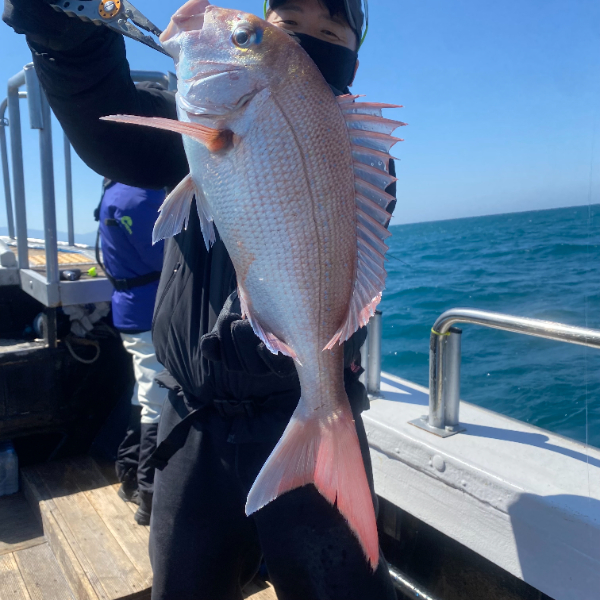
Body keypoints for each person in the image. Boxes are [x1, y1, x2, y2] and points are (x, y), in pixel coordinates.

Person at [2, 0, 398, 598]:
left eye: (330, 31)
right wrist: (68, 39)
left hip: (304, 404)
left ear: (352, 61)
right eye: (289, 25)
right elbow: (114, 137)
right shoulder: (191, 126)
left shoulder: (357, 156)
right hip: (195, 422)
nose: (308, 40)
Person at [95, 177, 167, 526]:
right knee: (157, 400)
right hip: (149, 311)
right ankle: (149, 496)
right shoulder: (140, 197)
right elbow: (167, 255)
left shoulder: (116, 192)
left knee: (144, 392)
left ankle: (127, 474)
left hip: (132, 309)